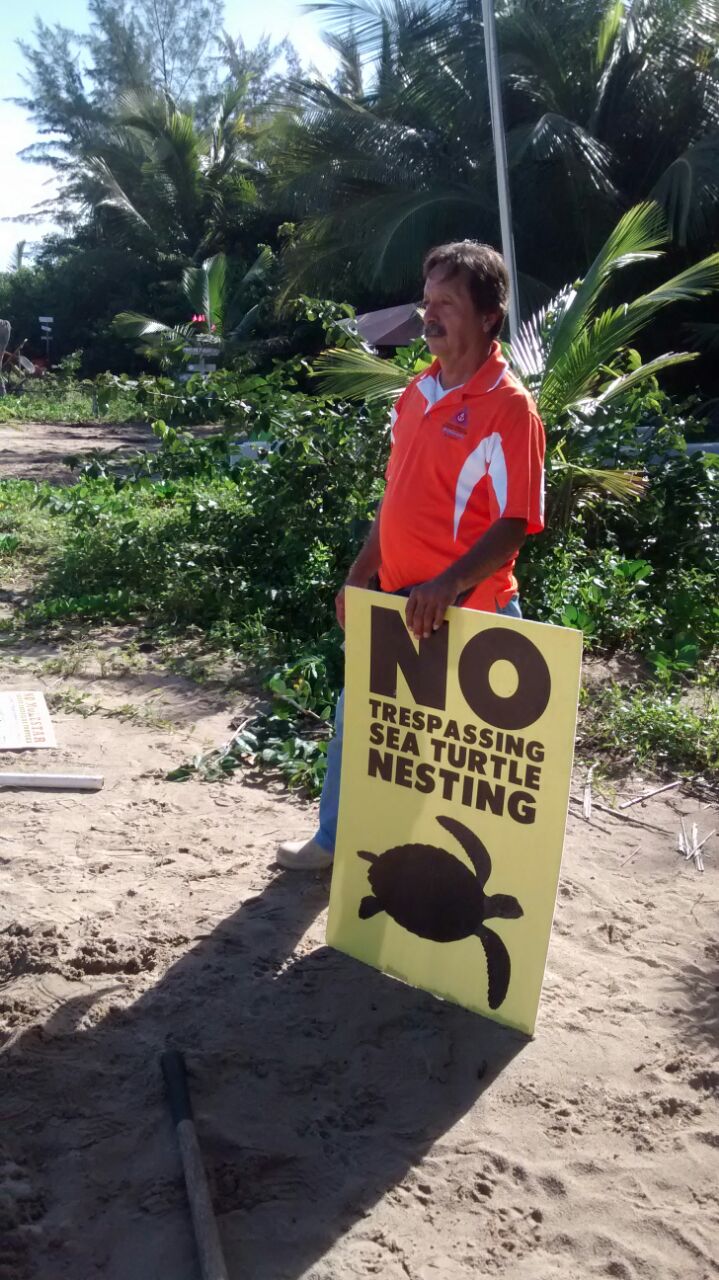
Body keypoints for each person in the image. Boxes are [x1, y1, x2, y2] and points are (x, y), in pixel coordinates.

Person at [277, 240, 546, 871]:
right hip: (397, 604)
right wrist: (359, 573)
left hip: (469, 612)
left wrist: (448, 585)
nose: (430, 314)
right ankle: (334, 844)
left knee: (465, 765)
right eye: (426, 301)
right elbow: (395, 498)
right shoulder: (416, 393)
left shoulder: (510, 409)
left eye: (446, 302)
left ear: (488, 316)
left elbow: (514, 524)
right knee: (364, 729)